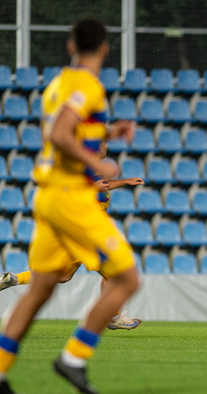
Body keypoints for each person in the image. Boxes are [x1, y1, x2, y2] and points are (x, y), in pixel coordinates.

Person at [0, 19, 139, 394]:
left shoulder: (58, 84)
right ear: (105, 48)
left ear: (70, 45)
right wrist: (100, 165)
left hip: (46, 195)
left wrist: (108, 133)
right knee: (127, 278)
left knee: (43, 287)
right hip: (70, 197)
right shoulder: (87, 85)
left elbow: (65, 128)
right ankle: (73, 358)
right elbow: (61, 134)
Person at [0, 141, 144, 331]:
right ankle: (111, 319)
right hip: (89, 232)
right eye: (103, 143)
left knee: (62, 276)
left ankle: (13, 278)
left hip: (83, 232)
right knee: (117, 273)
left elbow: (102, 186)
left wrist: (125, 182)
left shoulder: (93, 167)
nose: (107, 147)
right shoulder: (82, 167)